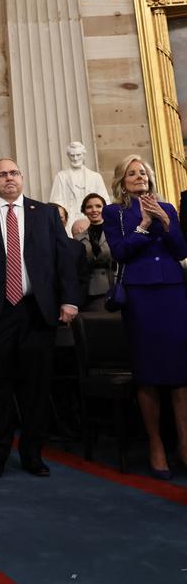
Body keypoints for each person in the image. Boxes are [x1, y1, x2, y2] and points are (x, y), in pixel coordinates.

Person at [0, 159, 80, 479]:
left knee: (36, 388)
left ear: (22, 178)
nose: (9, 179)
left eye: (13, 173)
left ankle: (32, 454)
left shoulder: (46, 214)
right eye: (2, 175)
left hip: (36, 312)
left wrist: (69, 300)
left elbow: (63, 261)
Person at [102, 155, 187, 479]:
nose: (139, 177)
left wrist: (165, 222)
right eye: (132, 173)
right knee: (148, 371)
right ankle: (156, 446)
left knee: (180, 372)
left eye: (143, 173)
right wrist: (144, 226)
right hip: (140, 294)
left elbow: (180, 251)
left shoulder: (168, 208)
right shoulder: (115, 213)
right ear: (122, 181)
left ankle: (184, 443)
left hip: (172, 291)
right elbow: (120, 252)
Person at [49, 141, 110, 232]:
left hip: (92, 219)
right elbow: (56, 203)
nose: (75, 158)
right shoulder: (61, 176)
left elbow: (105, 202)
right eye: (72, 155)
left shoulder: (95, 177)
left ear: (84, 155)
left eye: (78, 155)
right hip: (70, 221)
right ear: (68, 156)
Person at [73, 192, 114, 310]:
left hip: (115, 285)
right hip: (91, 289)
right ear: (84, 211)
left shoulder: (115, 233)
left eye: (98, 206)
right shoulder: (78, 238)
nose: (94, 210)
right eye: (89, 207)